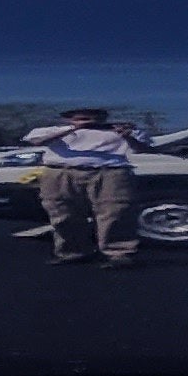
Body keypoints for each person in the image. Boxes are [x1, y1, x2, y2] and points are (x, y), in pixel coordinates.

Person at [21, 103, 142, 264]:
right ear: (68, 118)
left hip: (110, 172)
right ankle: (72, 251)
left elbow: (142, 147)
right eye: (79, 116)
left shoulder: (122, 130)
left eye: (92, 115)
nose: (86, 118)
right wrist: (73, 129)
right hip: (60, 172)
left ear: (101, 117)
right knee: (62, 212)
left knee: (115, 211)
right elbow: (36, 141)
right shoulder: (53, 130)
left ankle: (119, 253)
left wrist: (127, 135)